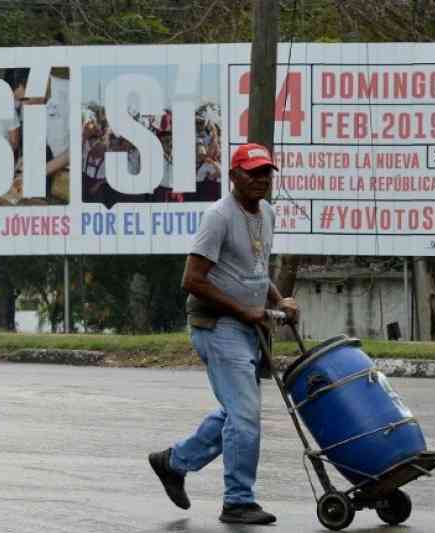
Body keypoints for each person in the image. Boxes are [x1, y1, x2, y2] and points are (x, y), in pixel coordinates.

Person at [148, 143, 299, 525]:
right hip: (218, 325)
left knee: (237, 412)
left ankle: (174, 461)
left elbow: (257, 271)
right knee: (245, 414)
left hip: (251, 325)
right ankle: (238, 500)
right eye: (252, 172)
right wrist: (242, 310)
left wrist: (282, 302)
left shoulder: (267, 213)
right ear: (233, 176)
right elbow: (192, 280)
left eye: (266, 172)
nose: (261, 179)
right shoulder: (218, 217)